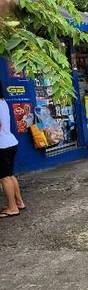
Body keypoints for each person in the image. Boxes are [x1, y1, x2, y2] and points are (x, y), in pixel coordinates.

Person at [0, 82, 25, 218]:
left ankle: (12, 207)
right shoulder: (2, 101)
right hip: (10, 141)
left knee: (4, 178)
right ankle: (19, 202)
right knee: (10, 175)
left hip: (2, 145)